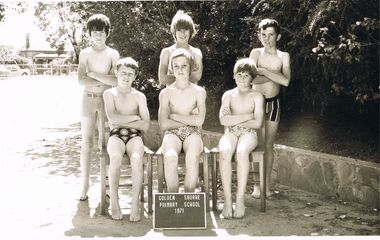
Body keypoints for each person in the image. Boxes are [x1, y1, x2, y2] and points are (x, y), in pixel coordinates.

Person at [77, 14, 120, 201]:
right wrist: (101, 77)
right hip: (88, 99)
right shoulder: (85, 53)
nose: (98, 36)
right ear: (90, 34)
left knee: (108, 143)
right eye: (94, 32)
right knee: (87, 143)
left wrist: (93, 74)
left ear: (107, 33)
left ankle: (108, 186)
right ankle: (84, 186)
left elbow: (115, 80)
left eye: (101, 32)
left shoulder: (113, 54)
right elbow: (81, 80)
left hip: (107, 99)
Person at [103, 57, 150, 221]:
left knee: (137, 159)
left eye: (131, 74)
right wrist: (134, 117)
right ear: (116, 73)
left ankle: (135, 203)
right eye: (123, 72)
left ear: (135, 76)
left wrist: (125, 119)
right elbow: (112, 119)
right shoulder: (109, 93)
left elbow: (146, 125)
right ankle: (114, 202)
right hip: (116, 135)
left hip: (134, 135)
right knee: (115, 157)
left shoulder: (139, 96)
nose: (126, 76)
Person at [249, 18, 291, 198]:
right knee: (257, 145)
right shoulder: (255, 53)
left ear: (278, 36)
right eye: (263, 35)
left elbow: (286, 81)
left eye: (271, 35)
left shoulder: (283, 56)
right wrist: (275, 75)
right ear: (259, 35)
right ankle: (257, 186)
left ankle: (267, 186)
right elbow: (250, 79)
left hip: (274, 103)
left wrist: (264, 71)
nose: (267, 38)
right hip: (254, 103)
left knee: (268, 145)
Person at [218, 58, 265, 219]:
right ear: (234, 76)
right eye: (239, 75)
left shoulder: (257, 96)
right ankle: (227, 198)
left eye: (246, 75)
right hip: (230, 132)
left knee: (241, 152)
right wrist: (247, 115)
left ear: (252, 78)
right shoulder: (228, 95)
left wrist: (235, 118)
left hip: (249, 133)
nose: (242, 79)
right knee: (224, 151)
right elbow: (223, 120)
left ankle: (239, 199)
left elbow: (257, 123)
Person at [158, 48, 206, 193]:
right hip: (172, 133)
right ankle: (173, 197)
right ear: (171, 69)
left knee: (192, 157)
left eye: (184, 65)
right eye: (176, 66)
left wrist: (174, 116)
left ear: (191, 67)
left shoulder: (199, 92)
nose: (180, 69)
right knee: (170, 156)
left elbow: (199, 121)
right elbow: (163, 124)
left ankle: (188, 198)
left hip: (193, 133)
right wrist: (189, 119)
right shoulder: (166, 93)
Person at [158, 10, 203, 86]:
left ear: (190, 31)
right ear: (174, 32)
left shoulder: (196, 52)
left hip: (191, 96)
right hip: (172, 96)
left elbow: (197, 76)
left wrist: (172, 77)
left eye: (185, 30)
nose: (182, 33)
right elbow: (162, 78)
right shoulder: (166, 52)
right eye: (179, 30)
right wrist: (187, 76)